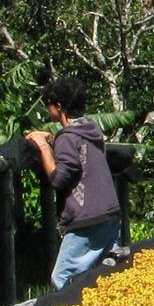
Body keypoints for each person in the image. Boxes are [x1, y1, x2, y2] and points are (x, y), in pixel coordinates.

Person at [25, 77, 122, 290]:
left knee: (62, 279)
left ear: (59, 107)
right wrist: (51, 139)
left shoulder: (67, 138)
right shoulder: (91, 129)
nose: (48, 109)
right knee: (103, 276)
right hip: (110, 213)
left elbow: (59, 178)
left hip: (87, 218)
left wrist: (42, 146)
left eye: (49, 105)